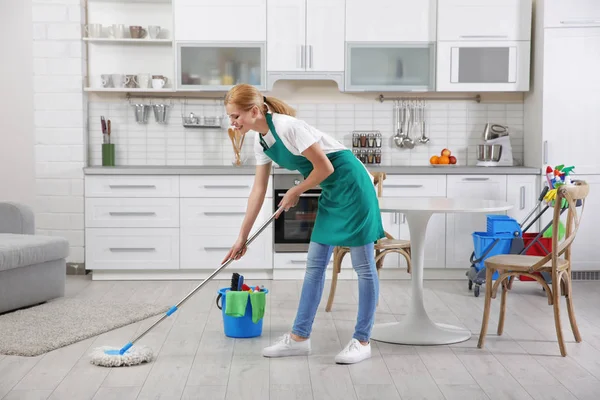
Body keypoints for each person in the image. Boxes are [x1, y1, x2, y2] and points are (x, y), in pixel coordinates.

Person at [222, 84, 384, 365]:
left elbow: (326, 167)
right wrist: (242, 238)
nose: (233, 123)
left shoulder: (287, 127)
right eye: (230, 118)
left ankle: (362, 340)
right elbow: (258, 191)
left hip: (353, 185)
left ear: (255, 111)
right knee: (315, 265)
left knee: (363, 267)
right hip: (333, 191)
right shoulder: (262, 140)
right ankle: (300, 338)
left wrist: (296, 190)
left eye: (236, 116)